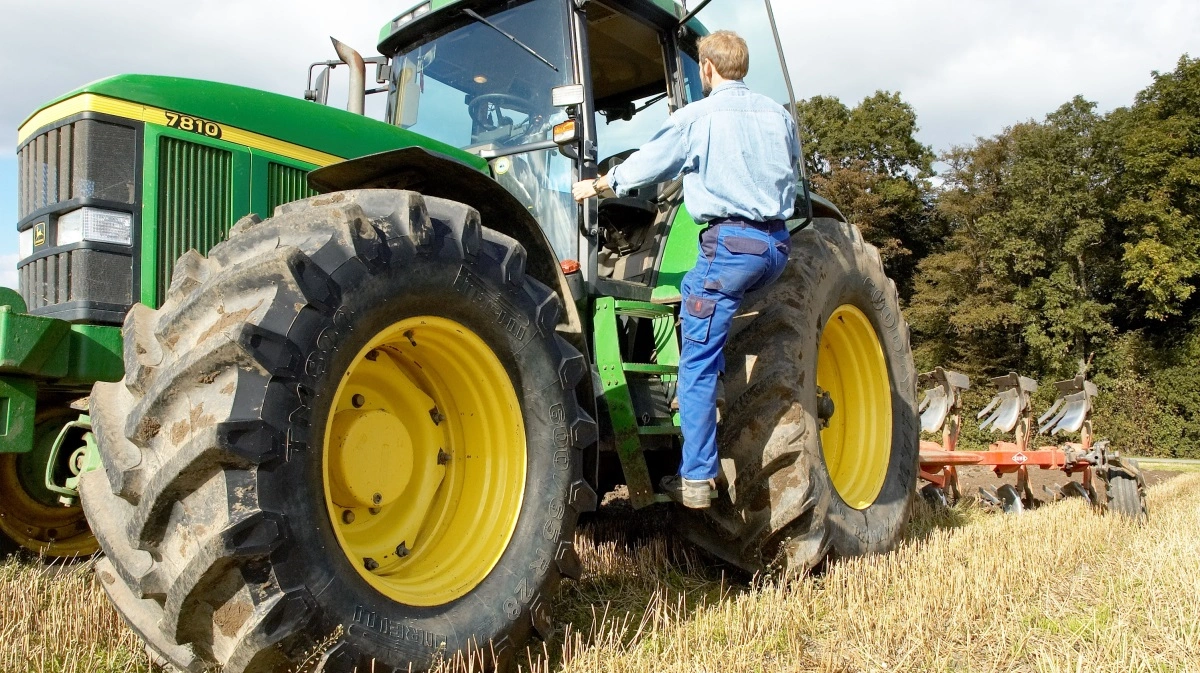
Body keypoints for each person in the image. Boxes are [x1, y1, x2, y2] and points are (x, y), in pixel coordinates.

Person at [572, 30, 800, 508]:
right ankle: (715, 391)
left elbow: (647, 165)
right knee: (712, 323)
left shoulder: (697, 116)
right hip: (776, 247)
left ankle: (695, 477)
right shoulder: (778, 115)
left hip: (730, 246)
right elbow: (792, 171)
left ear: (708, 70)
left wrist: (600, 185)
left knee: (694, 362)